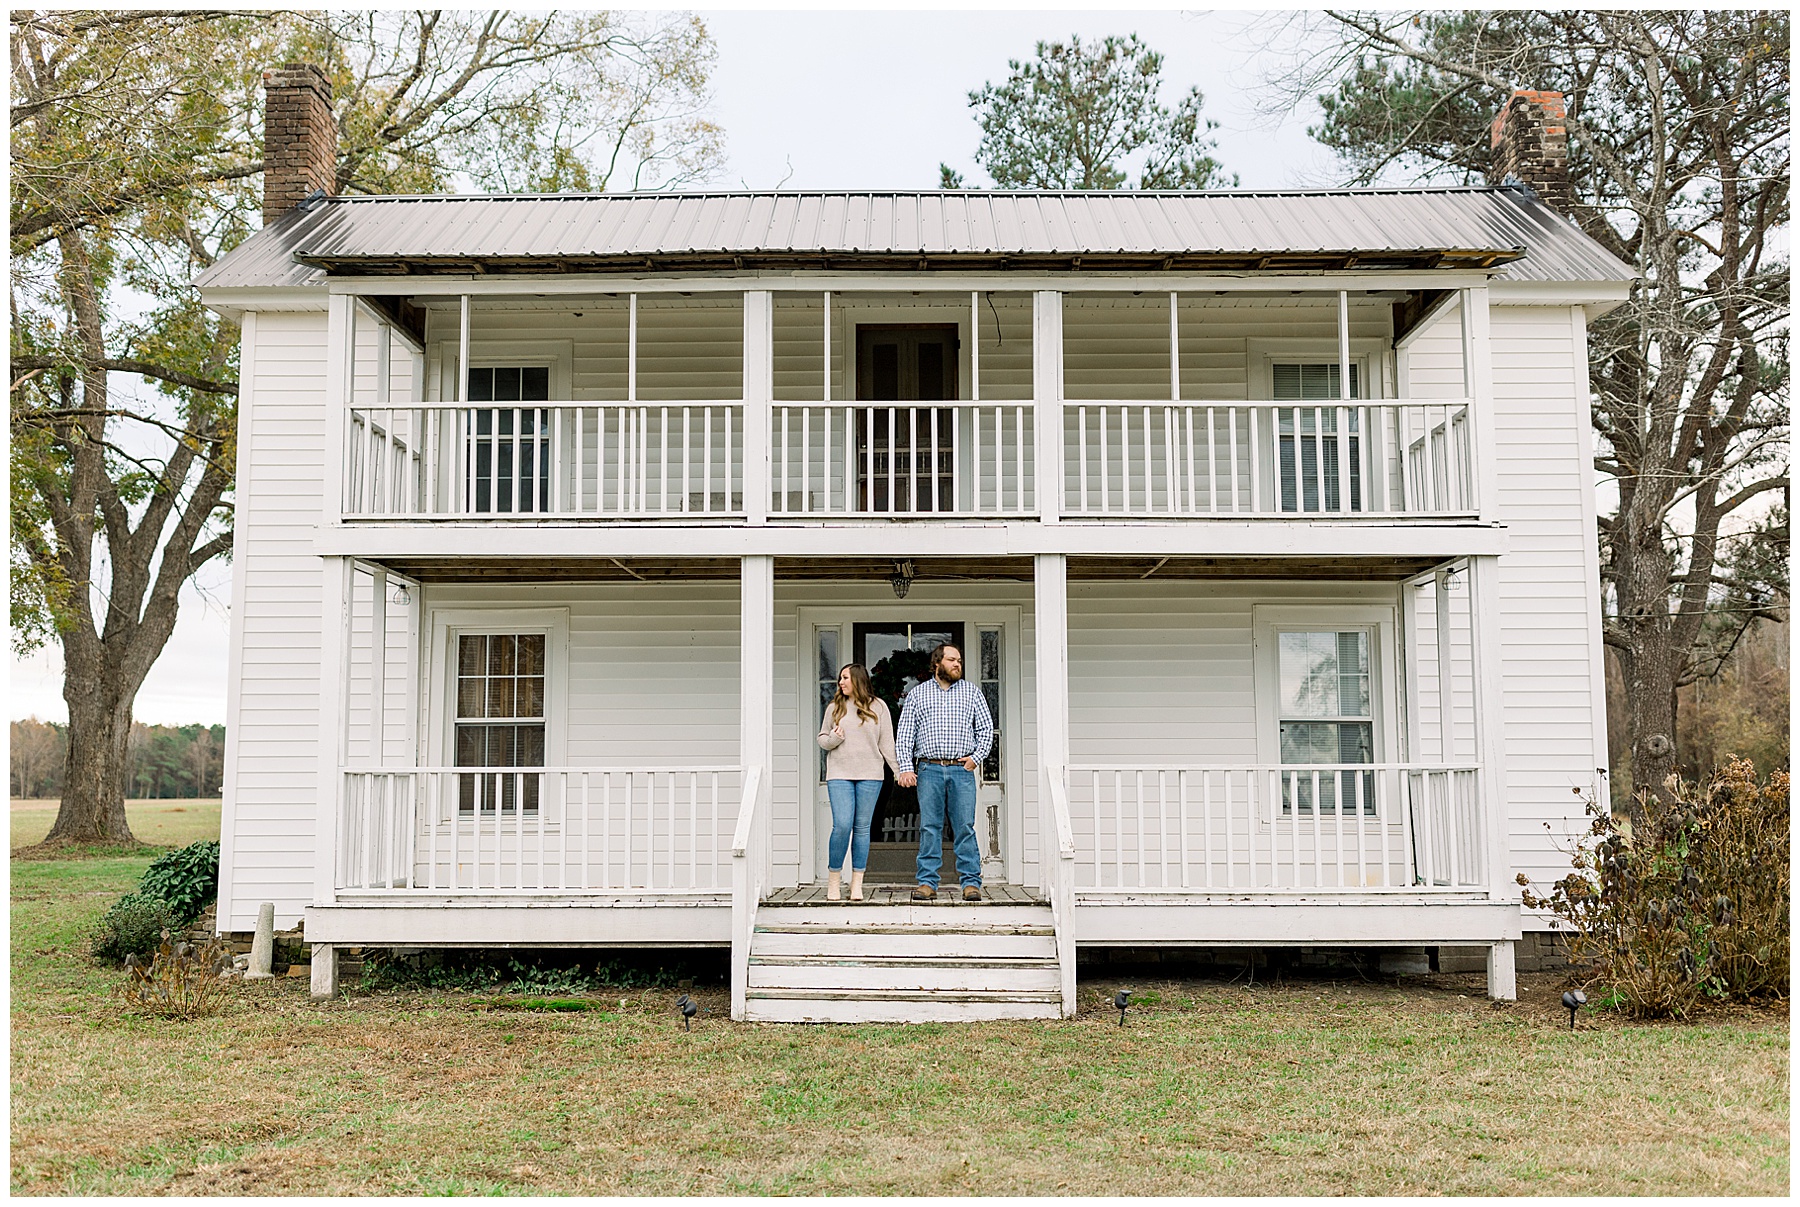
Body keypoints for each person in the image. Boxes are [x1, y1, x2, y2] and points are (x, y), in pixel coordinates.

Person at [894, 643, 994, 902]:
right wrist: (906, 767)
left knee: (964, 827)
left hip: (961, 770)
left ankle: (971, 883)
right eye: (951, 660)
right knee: (930, 827)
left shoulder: (972, 693)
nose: (957, 664)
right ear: (937, 663)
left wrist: (976, 758)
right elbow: (905, 735)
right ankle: (927, 882)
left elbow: (986, 729)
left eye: (959, 660)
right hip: (929, 769)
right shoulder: (918, 695)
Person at [816, 662, 899, 901]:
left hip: (870, 775)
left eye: (845, 678)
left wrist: (898, 770)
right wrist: (833, 739)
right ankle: (834, 881)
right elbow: (822, 740)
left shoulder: (879, 707)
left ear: (858, 680)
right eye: (840, 678)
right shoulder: (835, 707)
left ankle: (856, 884)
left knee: (862, 829)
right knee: (842, 826)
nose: (840, 682)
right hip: (840, 774)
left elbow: (887, 743)